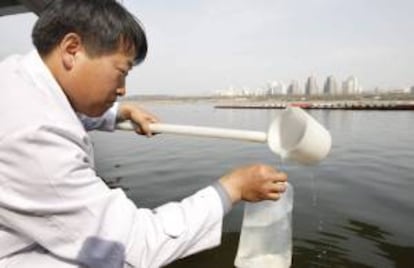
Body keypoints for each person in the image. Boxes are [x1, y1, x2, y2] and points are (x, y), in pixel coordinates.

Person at [0, 0, 288, 267]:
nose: (123, 88)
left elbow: (67, 115)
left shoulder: (18, 82)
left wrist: (119, 113)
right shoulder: (33, 134)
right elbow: (133, 245)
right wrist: (231, 189)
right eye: (122, 71)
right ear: (72, 49)